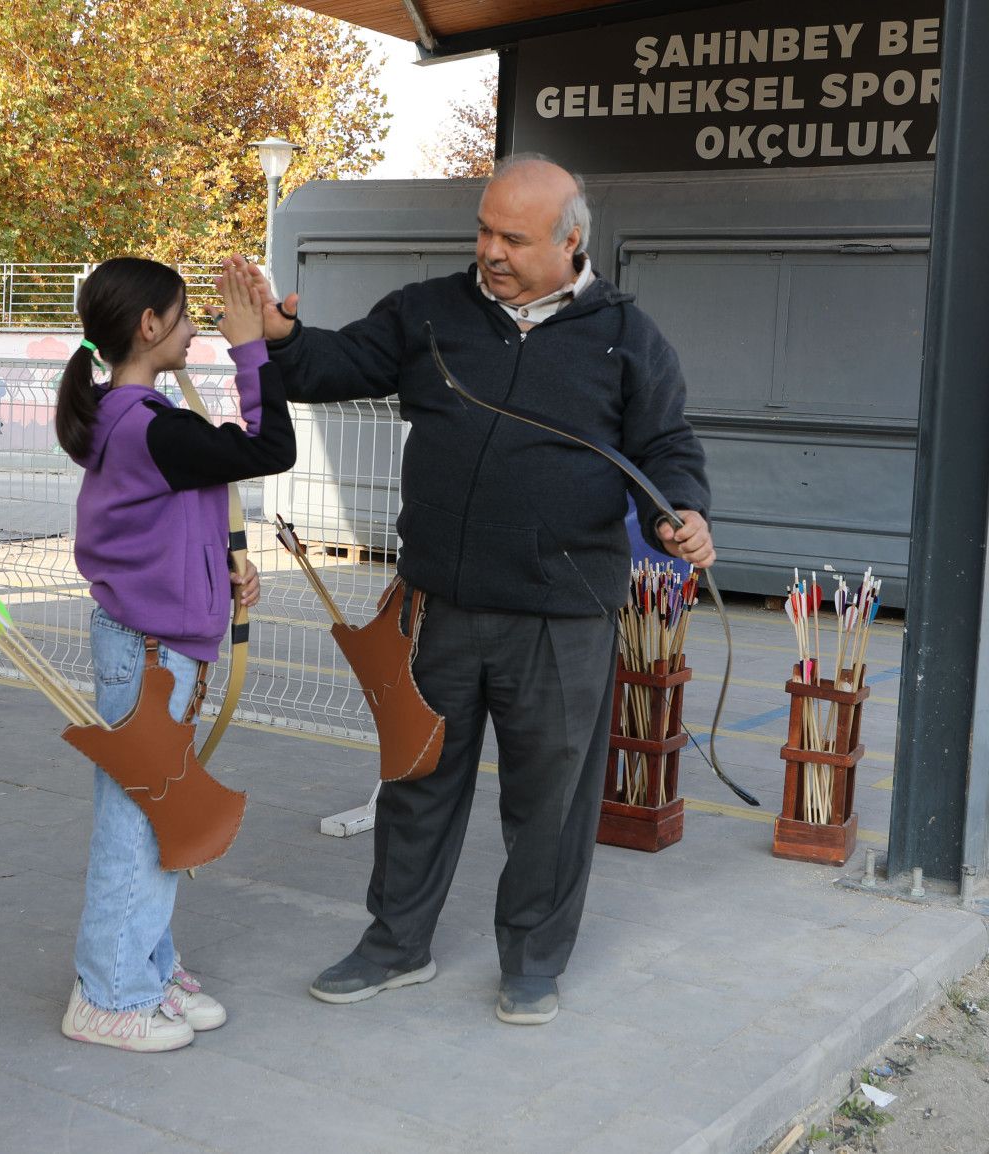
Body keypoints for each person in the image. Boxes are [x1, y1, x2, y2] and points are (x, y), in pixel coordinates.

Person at [239, 153, 715, 1026]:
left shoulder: (626, 338)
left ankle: (533, 959)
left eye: (514, 237)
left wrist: (682, 512)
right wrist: (279, 337)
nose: (490, 250)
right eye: (484, 229)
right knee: (417, 780)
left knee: (551, 799)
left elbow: (667, 449)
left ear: (571, 241)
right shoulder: (430, 312)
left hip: (563, 616)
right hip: (439, 606)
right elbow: (331, 365)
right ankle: (395, 944)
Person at [54, 256, 296, 1051]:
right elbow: (271, 448)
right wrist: (252, 347)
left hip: (162, 647)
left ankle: (146, 971)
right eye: (187, 317)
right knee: (138, 822)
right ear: (149, 327)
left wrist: (222, 569)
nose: (198, 329)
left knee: (158, 816)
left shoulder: (137, 421)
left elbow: (167, 513)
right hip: (150, 655)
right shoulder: (150, 424)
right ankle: (108, 994)